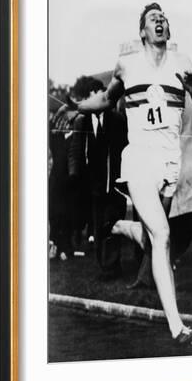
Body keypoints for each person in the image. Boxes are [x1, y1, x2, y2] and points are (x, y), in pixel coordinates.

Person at [78, 2, 192, 344]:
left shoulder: (184, 64)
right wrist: (79, 106)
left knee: (158, 240)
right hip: (138, 159)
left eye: (164, 18)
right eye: (153, 19)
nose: (160, 21)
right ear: (142, 31)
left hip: (171, 162)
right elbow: (108, 101)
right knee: (164, 236)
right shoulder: (127, 65)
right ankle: (177, 328)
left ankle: (126, 227)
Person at [69, 77, 128, 280]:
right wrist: (74, 176)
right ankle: (104, 265)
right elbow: (76, 151)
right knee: (97, 224)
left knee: (113, 222)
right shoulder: (82, 121)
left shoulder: (118, 120)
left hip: (115, 181)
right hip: (93, 184)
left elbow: (124, 150)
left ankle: (112, 265)